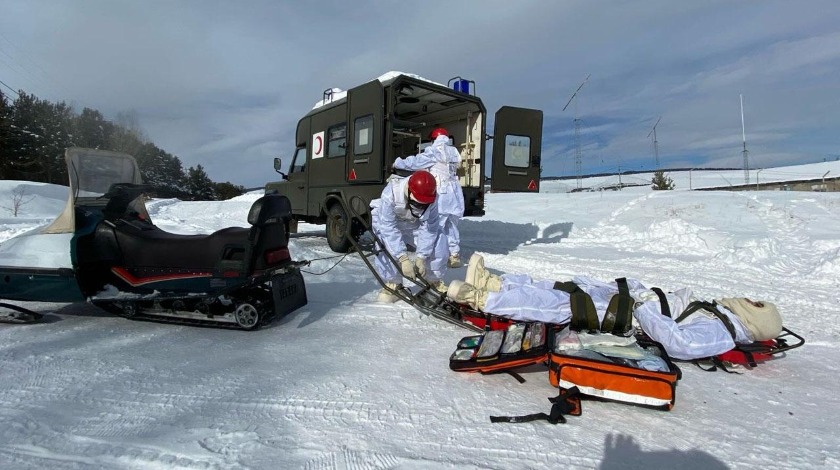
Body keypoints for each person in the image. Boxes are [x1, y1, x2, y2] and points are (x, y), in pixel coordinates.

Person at [446, 254, 783, 360]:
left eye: (757, 304)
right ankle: (494, 283)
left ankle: (480, 299)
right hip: (638, 302)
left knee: (564, 305)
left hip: (633, 317)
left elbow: (681, 343)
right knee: (568, 287)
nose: (750, 299)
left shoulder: (724, 332)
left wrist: (647, 306)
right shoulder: (720, 314)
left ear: (756, 317)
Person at [370, 170, 449, 303]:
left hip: (414, 224)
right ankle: (394, 284)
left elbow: (430, 228)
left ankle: (433, 281)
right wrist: (403, 258)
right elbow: (388, 228)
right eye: (418, 203)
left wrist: (421, 257)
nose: (422, 207)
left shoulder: (433, 198)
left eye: (425, 205)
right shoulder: (391, 193)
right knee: (382, 244)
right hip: (390, 224)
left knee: (439, 238)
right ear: (409, 192)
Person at [393, 127, 465, 268]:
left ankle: (435, 256)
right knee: (451, 225)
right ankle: (454, 254)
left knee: (436, 226)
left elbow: (415, 162)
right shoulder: (453, 152)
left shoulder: (434, 151)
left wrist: (397, 163)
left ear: (434, 139)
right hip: (455, 194)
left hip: (441, 193)